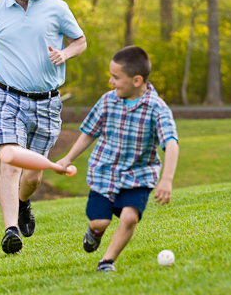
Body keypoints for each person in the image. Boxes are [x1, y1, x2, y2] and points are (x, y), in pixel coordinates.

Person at [0, 0, 87, 254]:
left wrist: (65, 54)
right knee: (10, 162)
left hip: (47, 104)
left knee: (32, 177)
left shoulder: (56, 8)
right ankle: (10, 231)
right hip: (7, 97)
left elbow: (80, 41)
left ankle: (22, 203)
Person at [55, 46, 179, 272]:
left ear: (136, 80)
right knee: (99, 221)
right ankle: (95, 232)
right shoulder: (107, 101)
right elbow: (89, 133)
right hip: (105, 172)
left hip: (138, 175)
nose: (111, 82)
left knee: (130, 218)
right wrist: (68, 158)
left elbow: (171, 142)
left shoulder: (157, 109)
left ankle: (107, 262)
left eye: (116, 77)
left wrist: (167, 179)